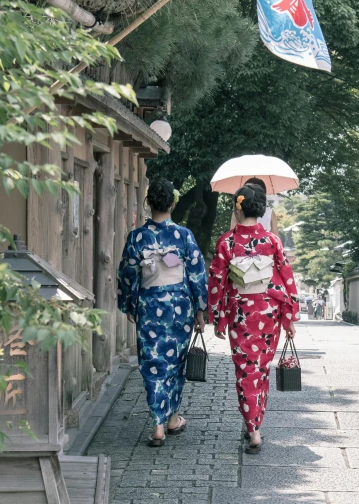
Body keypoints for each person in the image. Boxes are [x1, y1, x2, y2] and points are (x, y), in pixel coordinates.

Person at [209, 184, 299, 454]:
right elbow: (286, 276)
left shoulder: (227, 242)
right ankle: (255, 423)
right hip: (269, 311)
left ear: (238, 208)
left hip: (240, 312)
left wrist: (218, 316)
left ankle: (253, 427)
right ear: (260, 211)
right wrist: (289, 317)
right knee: (261, 369)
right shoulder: (272, 241)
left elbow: (217, 282)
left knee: (245, 370)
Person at [118, 178, 207, 447]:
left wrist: (129, 304)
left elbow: (127, 274)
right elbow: (197, 274)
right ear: (173, 202)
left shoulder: (137, 237)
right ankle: (173, 417)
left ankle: (158, 424)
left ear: (148, 203)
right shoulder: (183, 235)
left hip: (149, 307)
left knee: (152, 364)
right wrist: (200, 310)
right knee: (176, 363)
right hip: (179, 307)